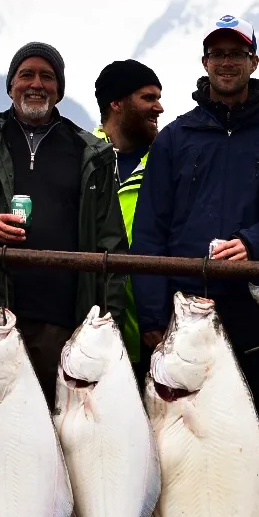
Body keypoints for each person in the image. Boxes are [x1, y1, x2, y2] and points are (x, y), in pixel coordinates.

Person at [0, 41, 128, 407]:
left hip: (62, 325)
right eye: (26, 74)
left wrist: (110, 326)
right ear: (10, 84)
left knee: (52, 434)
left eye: (47, 76)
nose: (36, 84)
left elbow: (112, 244)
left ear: (59, 88)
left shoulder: (89, 153)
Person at [131, 15, 259, 406]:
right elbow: (150, 227)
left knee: (246, 414)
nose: (227, 62)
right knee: (181, 416)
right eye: (217, 54)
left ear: (254, 61)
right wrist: (152, 316)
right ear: (205, 63)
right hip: (183, 305)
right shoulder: (174, 137)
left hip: (253, 305)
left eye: (237, 53)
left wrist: (253, 243)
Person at [92, 58, 163, 361]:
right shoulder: (80, 157)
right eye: (148, 98)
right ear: (118, 103)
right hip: (91, 327)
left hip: (153, 330)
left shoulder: (166, 162)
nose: (159, 108)